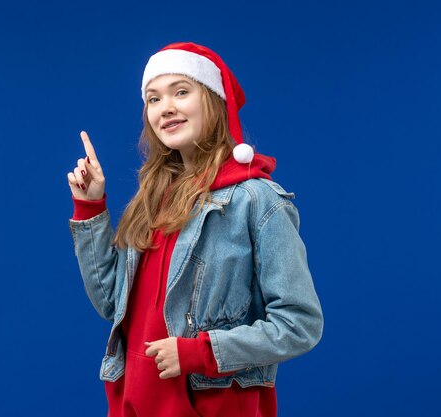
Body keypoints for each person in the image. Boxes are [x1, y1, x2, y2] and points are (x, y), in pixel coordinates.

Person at [67, 42, 323, 417]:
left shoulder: (256, 200)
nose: (165, 106)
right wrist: (90, 206)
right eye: (153, 99)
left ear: (214, 103)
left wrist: (199, 352)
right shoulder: (152, 200)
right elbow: (112, 303)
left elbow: (300, 324)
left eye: (181, 92)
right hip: (133, 403)